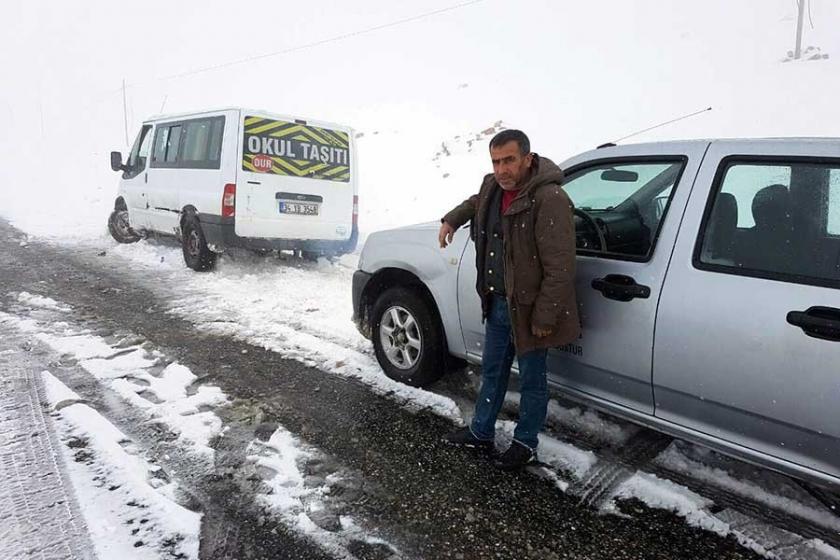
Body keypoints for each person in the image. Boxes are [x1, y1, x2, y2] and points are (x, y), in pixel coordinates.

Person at [438, 129, 580, 471]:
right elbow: (476, 201)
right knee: (493, 372)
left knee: (532, 379)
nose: (502, 169)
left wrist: (545, 318)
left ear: (528, 159)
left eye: (509, 160)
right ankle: (481, 431)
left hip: (531, 311)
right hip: (497, 302)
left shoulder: (550, 199)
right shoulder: (493, 186)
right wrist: (451, 219)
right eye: (496, 161)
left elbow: (560, 267)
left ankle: (525, 443)